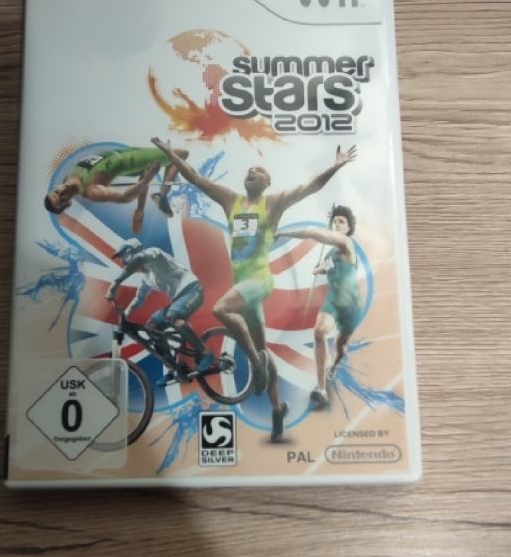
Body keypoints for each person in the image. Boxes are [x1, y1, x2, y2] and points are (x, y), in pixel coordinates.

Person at [150, 136, 356, 442]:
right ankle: (277, 408)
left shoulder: (272, 203)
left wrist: (335, 167)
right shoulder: (229, 199)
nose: (251, 171)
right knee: (263, 350)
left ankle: (256, 362)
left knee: (222, 310)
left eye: (258, 171)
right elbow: (194, 177)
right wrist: (170, 154)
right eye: (249, 170)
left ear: (267, 182)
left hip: (259, 280)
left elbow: (308, 187)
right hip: (243, 288)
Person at [276, 205, 361, 409]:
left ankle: (335, 362)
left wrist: (282, 233)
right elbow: (328, 266)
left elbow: (311, 233)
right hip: (332, 301)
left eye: (341, 221)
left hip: (350, 304)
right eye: (335, 221)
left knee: (341, 348)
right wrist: (319, 269)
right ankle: (321, 390)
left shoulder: (347, 243)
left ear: (348, 228)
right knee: (319, 331)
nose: (337, 224)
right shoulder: (330, 253)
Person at [105, 238, 212, 386]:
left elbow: (139, 259)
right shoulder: (147, 279)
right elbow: (139, 299)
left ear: (133, 253)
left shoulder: (154, 254)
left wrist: (116, 283)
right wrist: (124, 316)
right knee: (152, 326)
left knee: (172, 315)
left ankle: (205, 352)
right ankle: (174, 368)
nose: (124, 263)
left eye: (125, 257)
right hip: (178, 301)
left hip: (192, 290)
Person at [44, 145, 189, 233]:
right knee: (181, 154)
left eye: (56, 192)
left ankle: (140, 211)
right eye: (62, 199)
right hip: (131, 159)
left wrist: (144, 180)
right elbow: (124, 198)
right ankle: (162, 196)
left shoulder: (69, 177)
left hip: (125, 153)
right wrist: (146, 180)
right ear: (68, 203)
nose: (61, 192)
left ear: (55, 187)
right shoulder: (90, 191)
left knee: (146, 172)